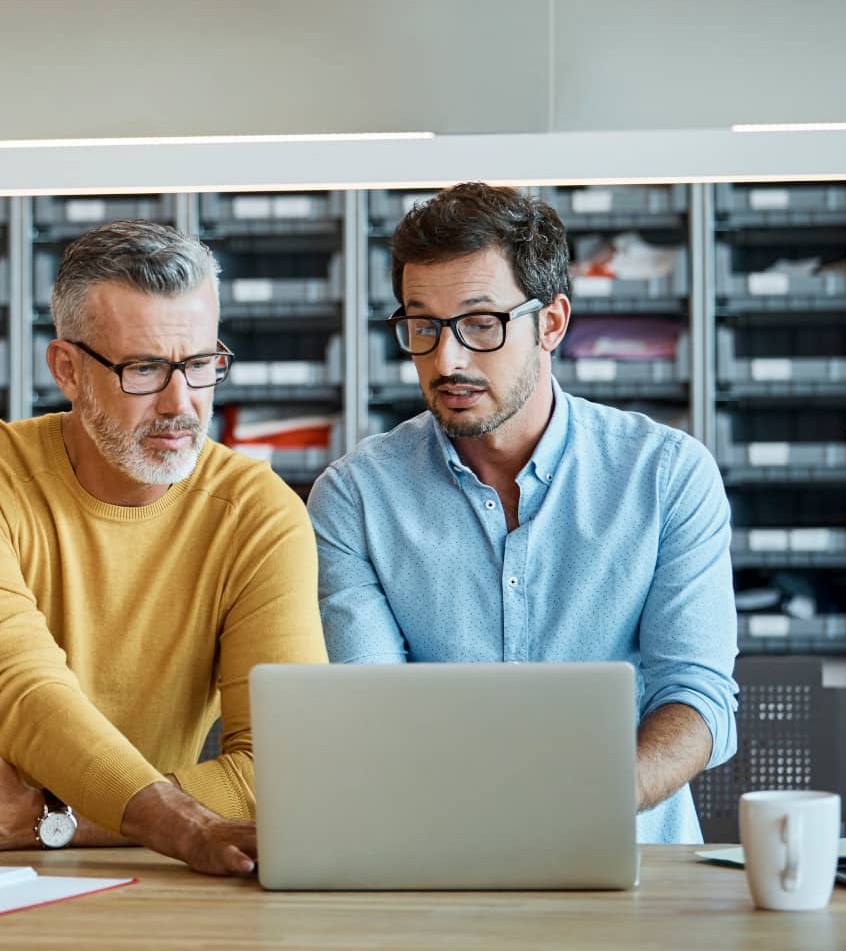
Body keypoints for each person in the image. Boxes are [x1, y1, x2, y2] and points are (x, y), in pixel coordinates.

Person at [0, 219, 327, 875]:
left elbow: (278, 768)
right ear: (68, 370)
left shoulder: (258, 512)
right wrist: (179, 824)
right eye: (144, 369)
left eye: (199, 365)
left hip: (137, 875)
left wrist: (54, 822)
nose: (181, 403)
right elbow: (24, 692)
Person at [310, 182, 737, 843]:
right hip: (436, 865)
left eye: (481, 324)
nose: (447, 359)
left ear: (553, 322)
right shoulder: (356, 497)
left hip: (633, 863)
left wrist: (589, 801)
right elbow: (372, 710)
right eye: (423, 326)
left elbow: (698, 698)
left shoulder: (666, 475)